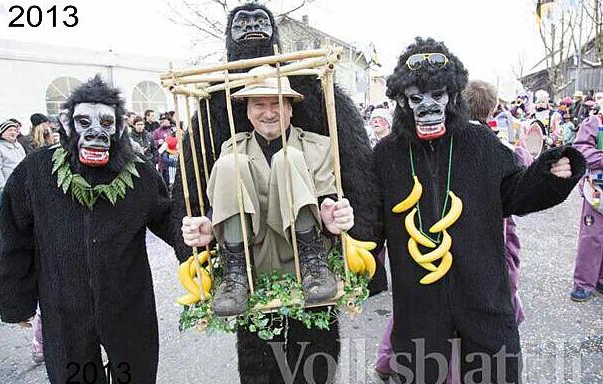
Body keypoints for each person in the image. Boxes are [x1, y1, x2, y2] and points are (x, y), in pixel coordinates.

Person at [373, 37, 584, 383]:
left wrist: (550, 176)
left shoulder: (481, 143)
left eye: (437, 96)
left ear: (454, 96)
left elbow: (515, 192)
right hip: (418, 300)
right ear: (402, 101)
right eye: (416, 98)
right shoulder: (385, 155)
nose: (428, 107)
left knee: (495, 372)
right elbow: (372, 222)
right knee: (422, 373)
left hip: (484, 293)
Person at [0, 76, 175, 384]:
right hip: (64, 309)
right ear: (67, 122)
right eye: (83, 122)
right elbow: (13, 235)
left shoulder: (141, 174)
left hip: (128, 304)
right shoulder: (36, 172)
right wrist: (16, 300)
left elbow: (168, 219)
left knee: (137, 375)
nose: (94, 132)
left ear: (118, 128)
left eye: (105, 122)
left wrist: (200, 249)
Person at [182, 65, 354, 315]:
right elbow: (224, 202)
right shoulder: (232, 149)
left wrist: (331, 215)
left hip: (300, 260)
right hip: (254, 261)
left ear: (290, 108)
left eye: (277, 103)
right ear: (249, 112)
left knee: (288, 158)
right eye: (259, 105)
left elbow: (326, 197)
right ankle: (235, 274)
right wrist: (209, 225)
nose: (269, 112)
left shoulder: (318, 147)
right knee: (232, 164)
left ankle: (313, 262)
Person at [570, 114, 603, 301]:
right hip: (597, 190)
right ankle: (583, 282)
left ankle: (600, 278)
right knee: (592, 237)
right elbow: (581, 150)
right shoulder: (595, 122)